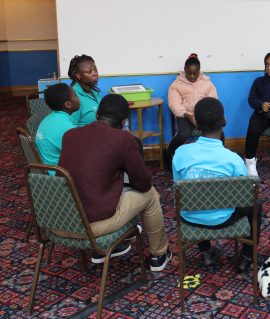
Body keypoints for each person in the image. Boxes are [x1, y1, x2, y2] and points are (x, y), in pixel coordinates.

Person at [58, 94, 172, 271]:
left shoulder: (69, 135)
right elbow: (143, 183)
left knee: (111, 190)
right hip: (91, 227)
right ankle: (159, 254)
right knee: (150, 195)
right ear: (124, 120)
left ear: (97, 115)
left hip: (60, 220)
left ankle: (106, 248)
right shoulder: (123, 139)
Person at [172, 97, 262, 272]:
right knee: (256, 205)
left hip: (189, 215)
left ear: (196, 123)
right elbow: (243, 198)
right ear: (224, 121)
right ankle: (246, 257)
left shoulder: (180, 153)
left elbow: (178, 188)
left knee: (196, 196)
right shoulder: (234, 160)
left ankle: (206, 253)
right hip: (223, 219)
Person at [166, 53, 218, 170]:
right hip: (184, 115)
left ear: (200, 72)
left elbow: (213, 101)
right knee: (183, 134)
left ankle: (214, 160)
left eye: (195, 73)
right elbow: (174, 104)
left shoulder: (208, 84)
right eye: (190, 73)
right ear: (185, 70)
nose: (193, 76)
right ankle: (169, 155)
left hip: (204, 116)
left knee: (219, 134)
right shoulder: (176, 85)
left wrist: (206, 115)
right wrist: (188, 115)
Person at [35, 83, 80, 167]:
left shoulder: (48, 119)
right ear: (68, 104)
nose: (78, 98)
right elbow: (81, 155)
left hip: (47, 169)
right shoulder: (69, 129)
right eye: (75, 96)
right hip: (61, 175)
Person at [68, 54, 101, 127]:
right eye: (89, 72)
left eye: (95, 70)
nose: (95, 74)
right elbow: (71, 127)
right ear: (78, 75)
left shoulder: (94, 92)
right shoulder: (73, 97)